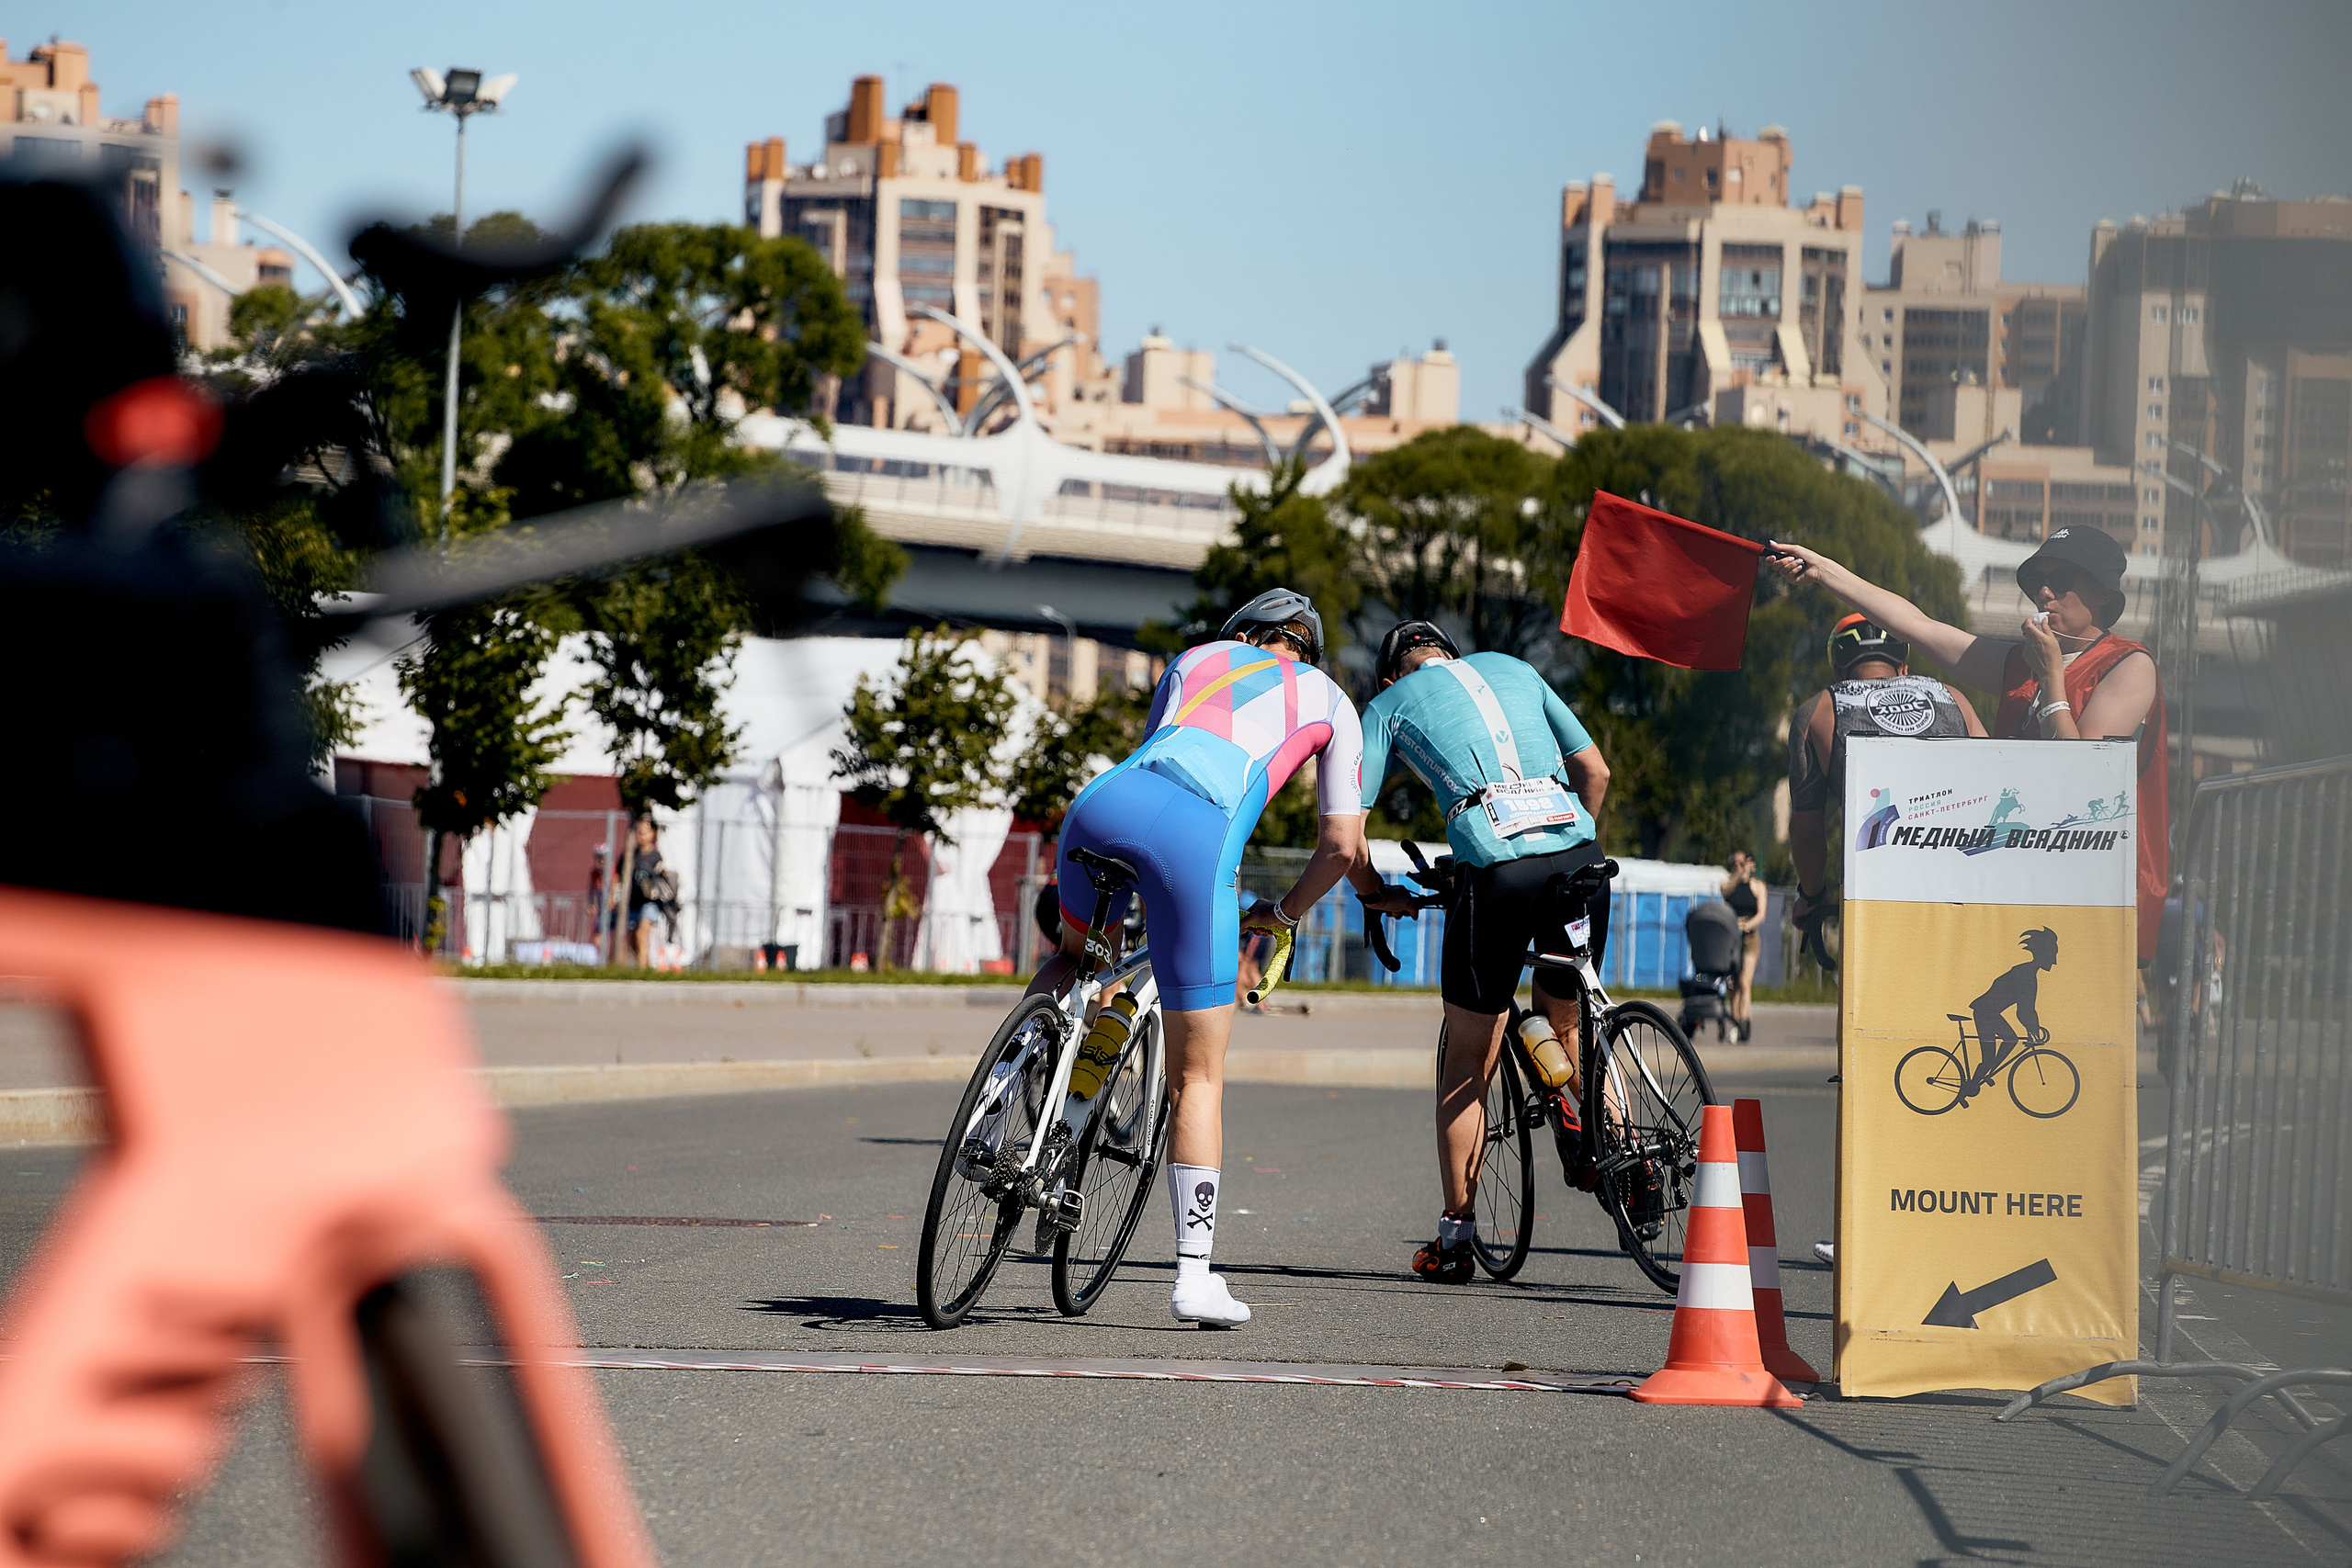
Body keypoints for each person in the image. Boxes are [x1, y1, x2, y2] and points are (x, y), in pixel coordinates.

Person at [1028, 588, 1376, 1327]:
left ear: (1243, 635)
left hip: (1104, 805)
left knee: (1079, 960)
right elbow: (1343, 845)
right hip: (1201, 844)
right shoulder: (1331, 701)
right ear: (1304, 648)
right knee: (1197, 1076)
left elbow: (1162, 754)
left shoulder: (1193, 659)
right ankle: (1193, 1275)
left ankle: (1008, 1110)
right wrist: (1281, 913)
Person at [1768, 528, 2166, 961]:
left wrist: (2052, 679)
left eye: (2063, 578)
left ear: (2104, 595)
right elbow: (1917, 626)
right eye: (2037, 582)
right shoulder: (2022, 663)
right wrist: (1821, 571)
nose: (2044, 593)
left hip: (2100, 904)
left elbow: (2083, 781)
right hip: (2027, 890)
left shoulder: (2130, 665)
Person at [1353, 619, 1611, 1283]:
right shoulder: (1516, 666)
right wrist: (1568, 843)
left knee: (1469, 1058)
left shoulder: (1386, 705)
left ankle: (1456, 1238)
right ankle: (1625, 1154)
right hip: (1579, 855)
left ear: (1392, 675)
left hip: (1496, 871)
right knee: (1570, 1024)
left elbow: (1345, 829)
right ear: (1454, 657)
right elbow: (1595, 769)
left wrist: (1374, 891)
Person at [1785, 614, 1986, 937]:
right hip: (1961, 889)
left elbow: (1807, 830)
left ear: (1838, 670)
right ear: (1903, 666)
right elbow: (1997, 785)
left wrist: (1811, 895)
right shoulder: (1953, 699)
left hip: (1875, 897)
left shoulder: (1819, 711)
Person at [1971, 928, 2059, 1092]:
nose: (2054, 961)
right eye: (2052, 954)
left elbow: (2026, 1010)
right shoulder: (2026, 975)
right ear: (2042, 953)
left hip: (1989, 1012)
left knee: (2010, 1039)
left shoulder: (2027, 972)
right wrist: (2035, 1030)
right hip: (1985, 1012)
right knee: (1990, 1056)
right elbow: (2025, 1011)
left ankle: (1985, 1076)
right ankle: (1971, 1085)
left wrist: (2034, 1029)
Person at [1720, 851, 1767, 1043]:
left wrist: (1748, 924)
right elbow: (1724, 892)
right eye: (1735, 862)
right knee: (1733, 984)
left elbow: (1761, 914)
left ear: (1752, 864)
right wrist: (1738, 876)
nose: (1739, 866)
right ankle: (1736, 1021)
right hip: (1731, 937)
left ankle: (1745, 1023)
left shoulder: (1757, 886)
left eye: (1743, 862)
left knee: (1745, 982)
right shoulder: (1729, 883)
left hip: (1749, 937)